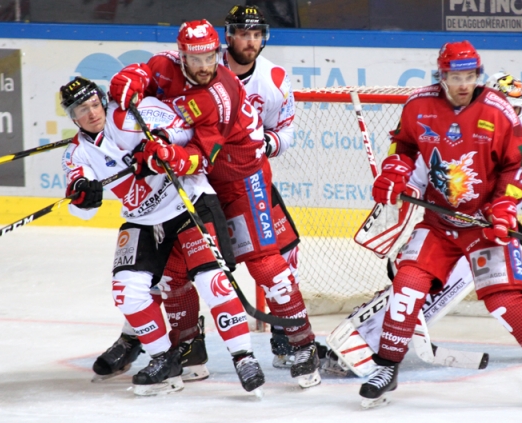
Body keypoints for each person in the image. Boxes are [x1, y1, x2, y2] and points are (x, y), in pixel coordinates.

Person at [358, 41, 522, 409]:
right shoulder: (418, 105)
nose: (463, 84)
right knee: (408, 284)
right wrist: (395, 172)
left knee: (504, 299)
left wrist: (504, 206)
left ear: (478, 75)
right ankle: (386, 367)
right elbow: (403, 147)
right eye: (455, 77)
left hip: (483, 224)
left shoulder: (498, 112)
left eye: (470, 76)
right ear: (441, 75)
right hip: (438, 221)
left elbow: (519, 166)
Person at [107, 18, 321, 388]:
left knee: (265, 264)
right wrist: (129, 79)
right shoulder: (166, 66)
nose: (205, 66)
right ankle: (188, 349)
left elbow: (199, 157)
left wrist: (167, 157)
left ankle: (303, 344)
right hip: (197, 185)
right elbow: (143, 73)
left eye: (209, 56)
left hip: (241, 180)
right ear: (182, 55)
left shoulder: (218, 93)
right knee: (174, 268)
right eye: (195, 58)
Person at [58, 76, 265, 395]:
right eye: (81, 110)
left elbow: (185, 130)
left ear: (102, 100)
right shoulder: (77, 153)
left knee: (213, 283)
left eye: (94, 104)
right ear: (73, 117)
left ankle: (244, 357)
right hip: (143, 220)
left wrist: (160, 145)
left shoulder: (130, 114)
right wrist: (84, 195)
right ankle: (162, 360)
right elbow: (79, 205)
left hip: (189, 201)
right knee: (127, 291)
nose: (91, 113)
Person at [220, 4, 325, 370]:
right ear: (229, 35)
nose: (250, 42)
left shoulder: (275, 79)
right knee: (182, 262)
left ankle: (284, 332)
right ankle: (171, 339)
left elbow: (286, 132)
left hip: (250, 180)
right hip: (204, 180)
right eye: (243, 34)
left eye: (256, 35)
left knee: (287, 251)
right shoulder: (206, 68)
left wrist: (263, 144)